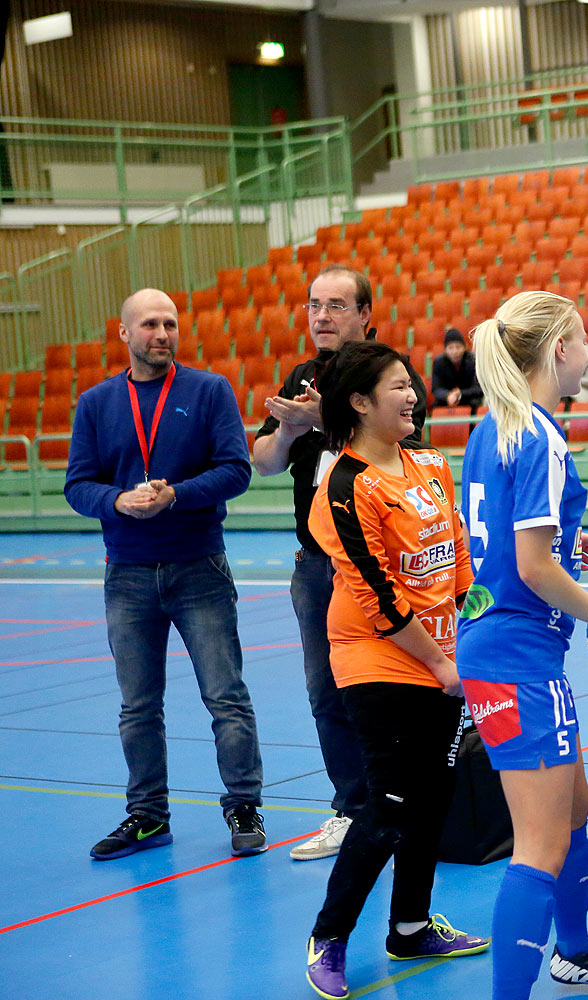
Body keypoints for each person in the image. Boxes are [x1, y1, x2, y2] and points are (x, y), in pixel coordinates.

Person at [457, 293, 588, 999]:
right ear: (559, 349)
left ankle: (572, 951)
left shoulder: (496, 426)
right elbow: (533, 568)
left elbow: (523, 543)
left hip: (501, 643)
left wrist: (569, 545)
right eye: (585, 337)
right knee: (539, 845)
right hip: (516, 655)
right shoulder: (537, 434)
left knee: (573, 809)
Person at [303, 340, 488, 1000]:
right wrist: (441, 663)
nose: (413, 396)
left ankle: (409, 927)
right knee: (389, 804)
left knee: (433, 799)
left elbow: (461, 560)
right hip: (380, 659)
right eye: (397, 386)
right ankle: (329, 936)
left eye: (413, 385)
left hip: (443, 657)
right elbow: (377, 595)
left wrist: (472, 633)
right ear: (358, 401)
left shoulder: (432, 466)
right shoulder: (344, 486)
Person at [65, 288, 265, 861]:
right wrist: (117, 502)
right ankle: (148, 815)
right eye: (150, 324)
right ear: (124, 333)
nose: (163, 333)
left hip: (198, 565)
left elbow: (235, 470)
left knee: (225, 696)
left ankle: (244, 805)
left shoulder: (208, 390)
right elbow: (78, 484)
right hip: (127, 573)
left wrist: (175, 494)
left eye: (171, 324)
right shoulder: (97, 402)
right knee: (137, 705)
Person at [253, 265, 429, 862]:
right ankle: (350, 809)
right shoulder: (301, 378)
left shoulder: (392, 376)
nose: (321, 316)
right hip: (316, 567)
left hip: (384, 563)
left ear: (364, 316)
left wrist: (326, 421)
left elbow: (405, 441)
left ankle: (404, 802)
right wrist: (287, 427)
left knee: (403, 688)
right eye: (313, 305)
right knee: (325, 691)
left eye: (335, 305)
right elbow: (266, 462)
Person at [431, 327, 484, 411]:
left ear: (464, 348)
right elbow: (436, 389)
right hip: (447, 399)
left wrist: (460, 394)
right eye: (451, 348)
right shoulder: (439, 362)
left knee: (476, 403)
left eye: (458, 347)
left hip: (467, 398)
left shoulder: (473, 360)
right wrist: (448, 396)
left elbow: (478, 389)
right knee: (435, 406)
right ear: (445, 350)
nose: (455, 351)